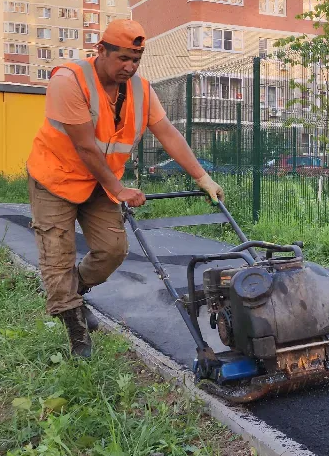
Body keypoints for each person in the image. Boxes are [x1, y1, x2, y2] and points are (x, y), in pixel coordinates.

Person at [25, 19, 224, 357]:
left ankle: (69, 293)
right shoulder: (68, 81)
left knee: (113, 250)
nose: (129, 67)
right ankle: (77, 333)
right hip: (55, 179)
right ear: (100, 51)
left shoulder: (142, 90)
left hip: (99, 183)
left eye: (136, 61)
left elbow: (169, 134)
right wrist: (119, 189)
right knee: (57, 256)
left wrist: (202, 177)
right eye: (122, 59)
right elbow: (86, 147)